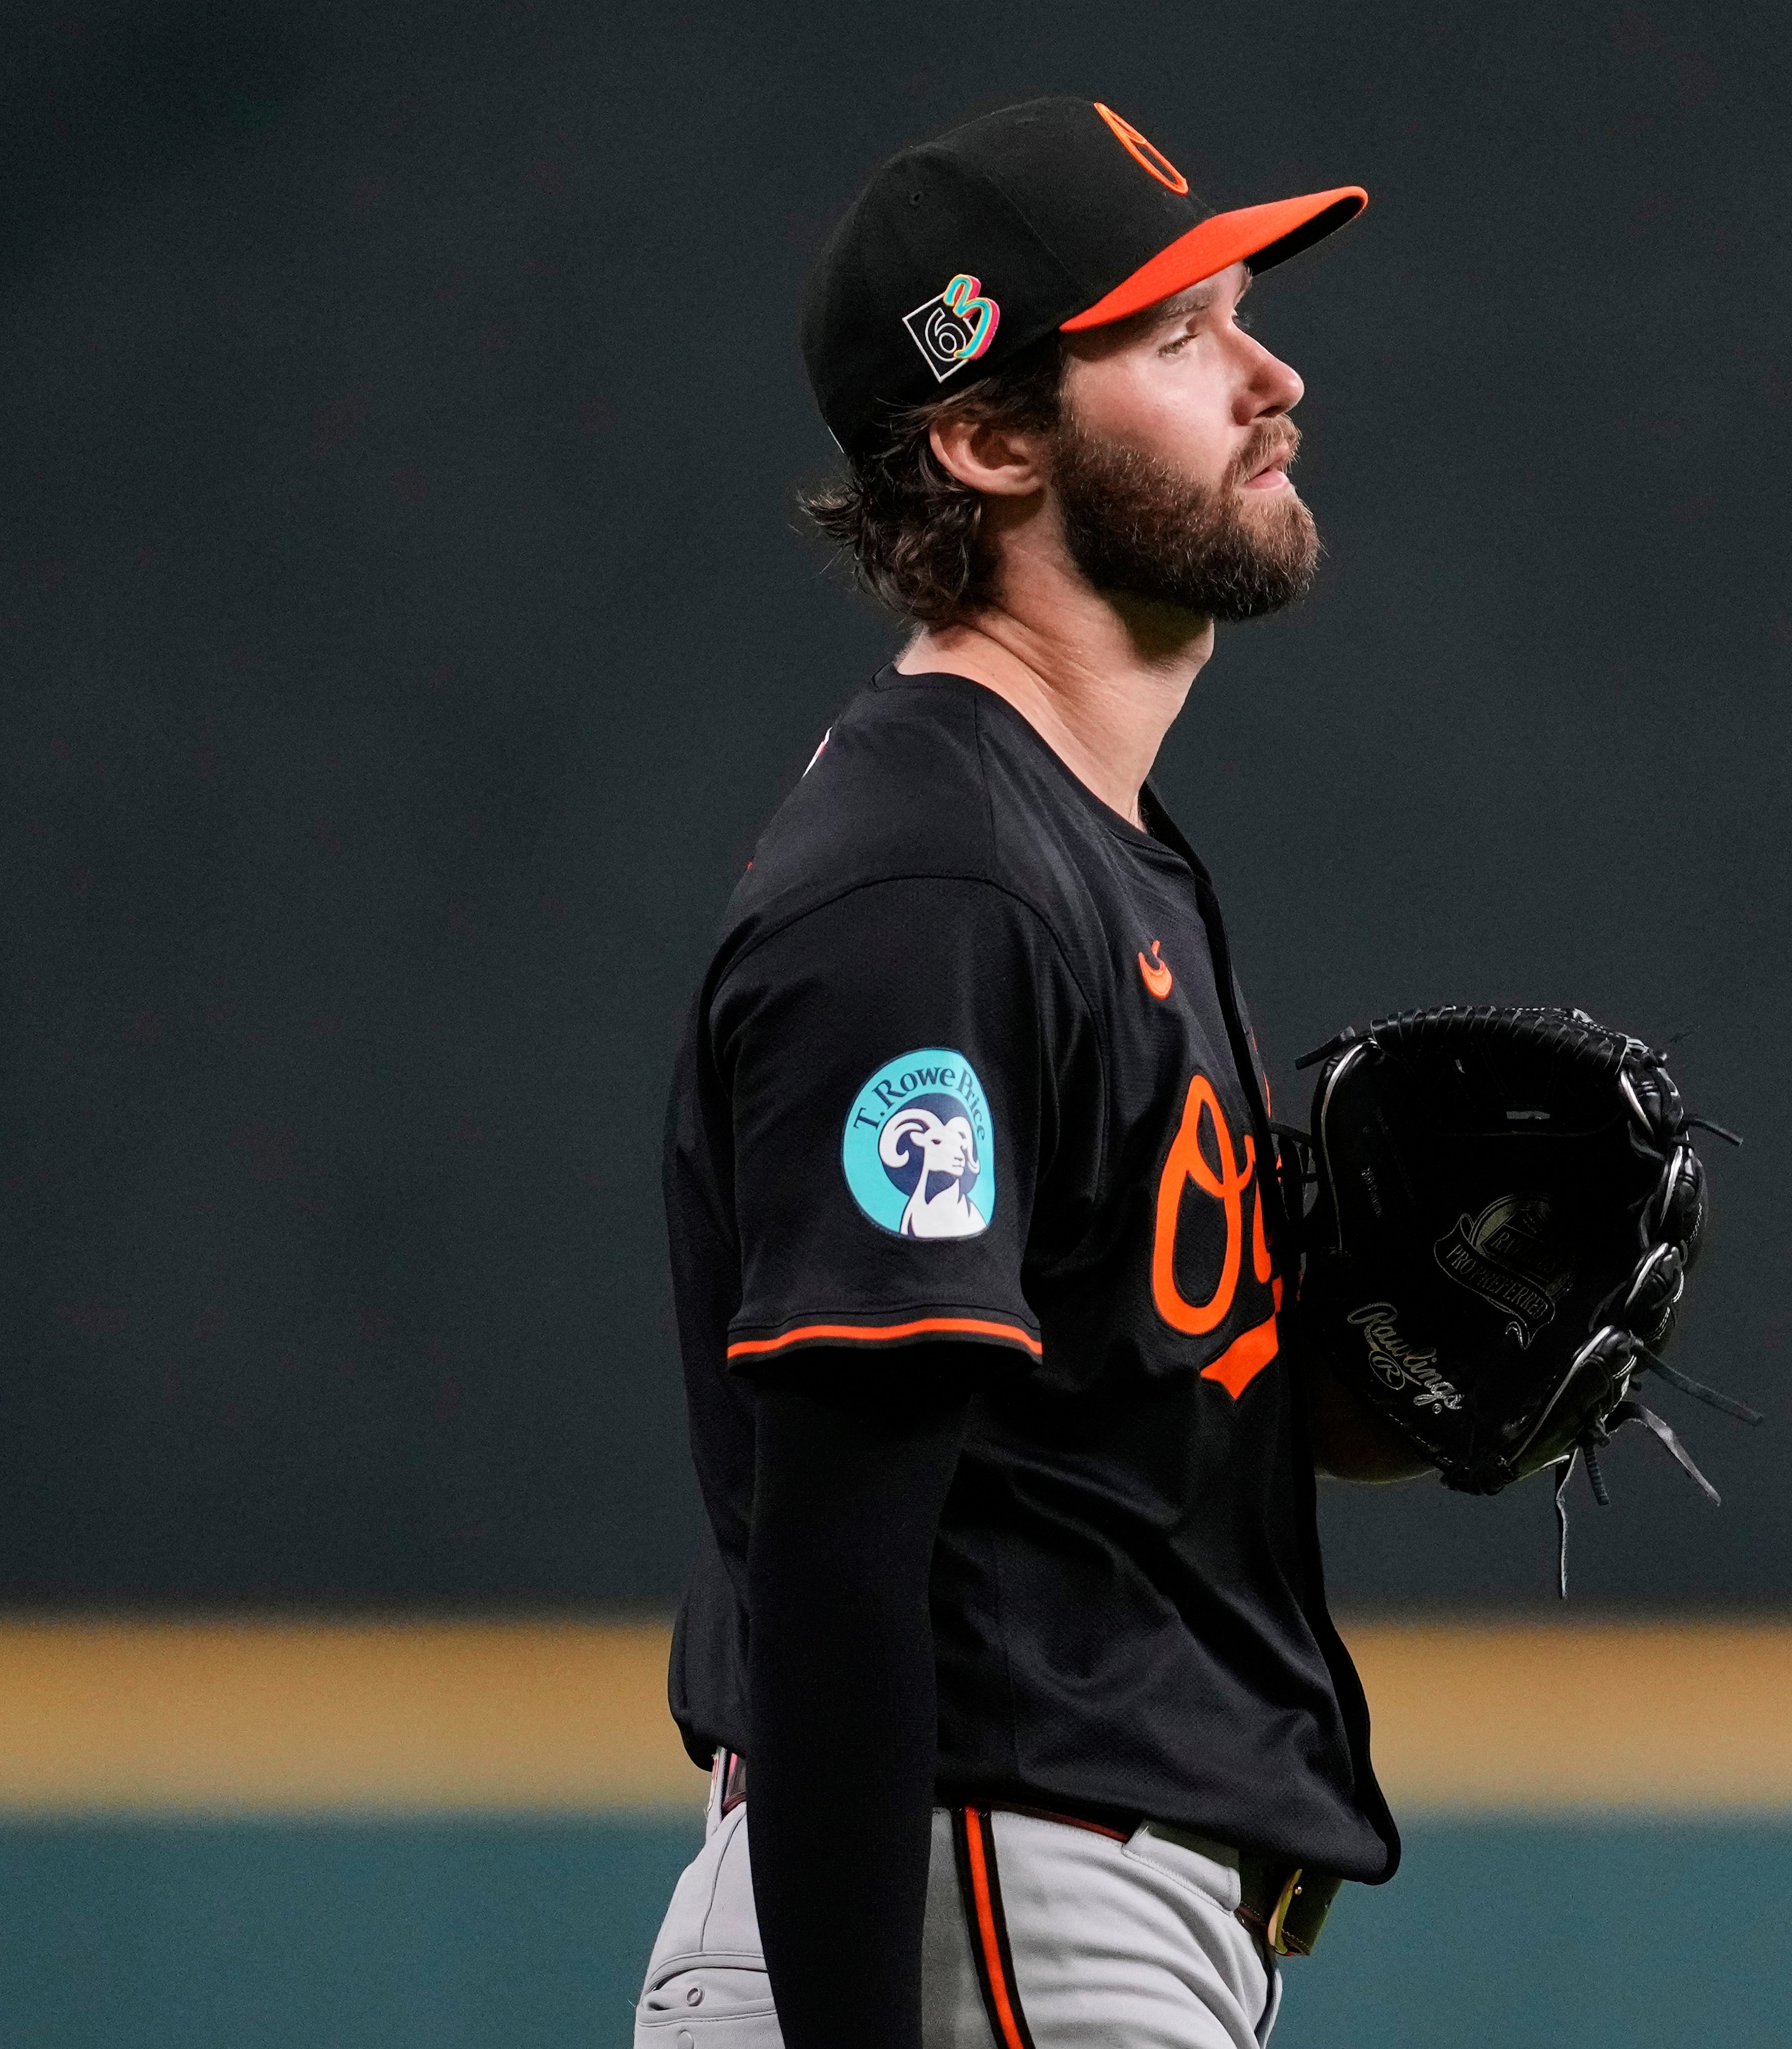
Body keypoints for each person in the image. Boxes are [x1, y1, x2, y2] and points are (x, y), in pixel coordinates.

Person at [633, 93, 1425, 2049]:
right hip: (973, 1896)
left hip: (1042, 1906)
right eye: (1175, 338)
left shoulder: (1077, 843)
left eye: (1242, 310)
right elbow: (839, 1542)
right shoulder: (938, 886)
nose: (1270, 375)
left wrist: (1367, 1376)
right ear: (987, 440)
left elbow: (1088, 1439)